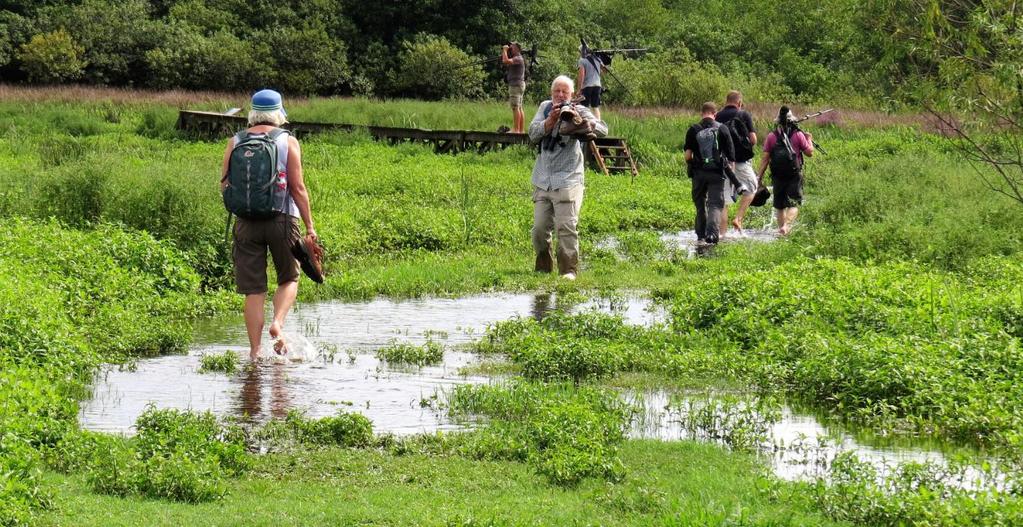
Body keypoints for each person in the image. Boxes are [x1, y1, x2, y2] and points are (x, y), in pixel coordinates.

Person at [220, 89, 317, 360]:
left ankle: (254, 351)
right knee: (289, 277)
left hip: (245, 223)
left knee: (253, 290)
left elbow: (224, 184)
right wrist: (310, 226)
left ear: (252, 113)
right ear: (279, 114)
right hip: (282, 220)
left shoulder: (235, 141)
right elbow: (297, 188)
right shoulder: (288, 141)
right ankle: (278, 324)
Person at [528, 75, 608, 279]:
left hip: (569, 178)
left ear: (572, 94)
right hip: (543, 178)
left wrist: (582, 122)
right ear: (551, 93)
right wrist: (551, 120)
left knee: (566, 227)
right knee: (538, 229)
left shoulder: (578, 108)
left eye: (565, 92)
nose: (560, 95)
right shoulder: (545, 107)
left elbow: (603, 129)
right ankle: (544, 268)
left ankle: (569, 271)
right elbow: (532, 133)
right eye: (557, 91)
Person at [684, 101, 735, 245]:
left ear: (702, 113)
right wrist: (732, 178)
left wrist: (694, 166)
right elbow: (731, 158)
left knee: (700, 205)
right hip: (717, 173)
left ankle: (700, 236)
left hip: (698, 174)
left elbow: (687, 156)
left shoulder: (693, 129)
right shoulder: (723, 129)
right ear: (715, 113)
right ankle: (712, 235)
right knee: (715, 204)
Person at [756, 106, 813, 235]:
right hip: (794, 173)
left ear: (778, 122)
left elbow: (765, 159)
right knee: (794, 204)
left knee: (779, 206)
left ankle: (781, 230)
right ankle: (786, 227)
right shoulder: (798, 135)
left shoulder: (772, 136)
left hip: (777, 175)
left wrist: (759, 177)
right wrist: (809, 138)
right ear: (792, 121)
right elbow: (809, 153)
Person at [715, 90, 758, 235]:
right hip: (740, 162)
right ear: (739, 103)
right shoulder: (744, 114)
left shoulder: (717, 116)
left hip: (722, 163)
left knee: (724, 201)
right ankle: (738, 218)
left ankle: (722, 235)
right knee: (752, 188)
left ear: (726, 101)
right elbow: (753, 140)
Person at [501, 42, 526, 133]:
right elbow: (505, 60)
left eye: (512, 47)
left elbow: (505, 61)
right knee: (519, 107)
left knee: (515, 107)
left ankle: (516, 130)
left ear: (517, 49)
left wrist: (504, 50)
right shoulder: (518, 58)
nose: (510, 48)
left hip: (515, 85)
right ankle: (521, 130)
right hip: (519, 84)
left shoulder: (518, 58)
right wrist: (505, 53)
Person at [576, 47, 606, 120]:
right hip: (597, 86)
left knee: (584, 107)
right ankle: (598, 124)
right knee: (595, 107)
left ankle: (586, 123)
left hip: (587, 86)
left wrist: (579, 89)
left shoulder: (582, 60)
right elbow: (604, 71)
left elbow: (581, 75)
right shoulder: (597, 59)